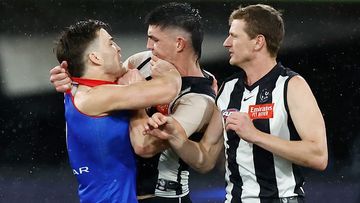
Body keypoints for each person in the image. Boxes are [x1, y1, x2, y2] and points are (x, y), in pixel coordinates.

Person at [145, 4, 328, 203]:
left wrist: (255, 135)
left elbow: (318, 156)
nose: (226, 43)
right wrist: (175, 136)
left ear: (258, 42)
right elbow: (205, 159)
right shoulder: (229, 89)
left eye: (234, 36)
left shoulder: (292, 85)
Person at [49, 3, 216, 203]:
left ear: (179, 44)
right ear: (94, 57)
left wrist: (70, 77)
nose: (147, 46)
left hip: (162, 197)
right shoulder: (97, 94)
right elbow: (164, 88)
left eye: (154, 39)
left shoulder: (198, 98)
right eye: (111, 43)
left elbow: (145, 145)